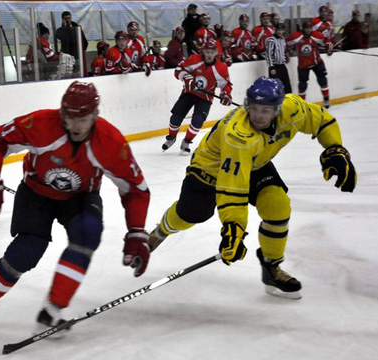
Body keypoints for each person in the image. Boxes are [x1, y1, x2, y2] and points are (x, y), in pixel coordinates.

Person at [0, 81, 151, 331]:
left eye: (82, 119)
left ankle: (52, 310)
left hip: (80, 197)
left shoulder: (110, 142)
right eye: (69, 117)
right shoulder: (41, 123)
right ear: (61, 111)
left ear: (95, 114)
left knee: (88, 233)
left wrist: (136, 231)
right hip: (36, 192)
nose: (74, 126)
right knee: (26, 251)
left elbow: (135, 188)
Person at [149, 77, 357, 300]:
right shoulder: (238, 134)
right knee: (189, 215)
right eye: (254, 108)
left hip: (254, 160)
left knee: (277, 205)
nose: (257, 115)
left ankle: (272, 267)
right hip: (209, 169)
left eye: (265, 110)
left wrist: (335, 148)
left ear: (278, 110)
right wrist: (233, 229)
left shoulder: (293, 108)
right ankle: (158, 233)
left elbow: (322, 120)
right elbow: (233, 189)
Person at [161, 39, 233, 155]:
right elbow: (179, 70)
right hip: (189, 93)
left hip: (205, 98)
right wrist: (186, 77)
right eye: (207, 52)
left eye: (212, 52)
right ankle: (171, 138)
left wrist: (226, 94)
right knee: (175, 118)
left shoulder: (221, 68)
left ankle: (187, 142)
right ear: (203, 51)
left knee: (198, 121)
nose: (209, 55)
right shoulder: (194, 59)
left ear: (216, 53)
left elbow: (226, 85)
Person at [286, 21, 333, 108]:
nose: (308, 30)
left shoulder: (315, 34)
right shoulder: (296, 36)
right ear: (303, 28)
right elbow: (285, 42)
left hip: (317, 62)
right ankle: (301, 104)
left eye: (310, 28)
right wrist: (286, 52)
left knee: (323, 81)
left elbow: (326, 39)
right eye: (307, 28)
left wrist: (328, 46)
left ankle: (326, 99)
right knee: (302, 86)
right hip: (303, 65)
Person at [266, 23, 292, 94]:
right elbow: (268, 54)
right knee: (275, 87)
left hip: (282, 65)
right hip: (275, 67)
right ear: (275, 30)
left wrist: (285, 56)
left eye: (282, 30)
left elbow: (282, 50)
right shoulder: (271, 40)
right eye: (278, 30)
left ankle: (288, 101)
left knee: (287, 85)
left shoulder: (283, 39)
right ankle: (274, 103)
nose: (280, 32)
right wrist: (271, 67)